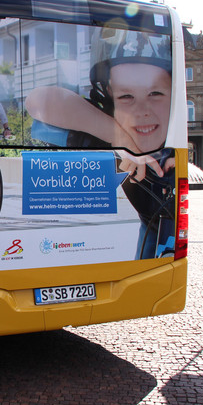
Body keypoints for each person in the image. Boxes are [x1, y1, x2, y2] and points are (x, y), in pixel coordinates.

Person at [26, 28, 175, 258]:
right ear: (108, 93)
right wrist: (125, 144)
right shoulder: (111, 130)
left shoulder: (172, 140)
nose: (142, 111)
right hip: (150, 230)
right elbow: (36, 101)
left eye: (155, 93)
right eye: (126, 96)